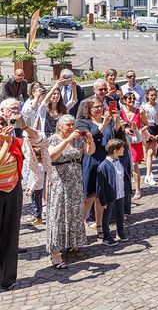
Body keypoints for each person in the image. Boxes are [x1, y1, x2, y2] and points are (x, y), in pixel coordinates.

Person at [0, 102, 45, 290]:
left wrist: (25, 126)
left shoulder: (15, 140)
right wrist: (6, 144)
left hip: (13, 189)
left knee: (11, 234)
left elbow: (40, 140)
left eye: (3, 124)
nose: (3, 127)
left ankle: (7, 278)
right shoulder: (9, 142)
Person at [46, 114, 94, 267]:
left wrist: (89, 140)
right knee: (59, 213)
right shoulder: (53, 139)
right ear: (60, 126)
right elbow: (52, 155)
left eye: (73, 124)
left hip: (75, 180)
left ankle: (72, 242)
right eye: (68, 125)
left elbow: (90, 151)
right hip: (60, 181)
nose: (72, 127)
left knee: (74, 211)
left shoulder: (77, 139)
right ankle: (55, 253)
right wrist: (66, 141)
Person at [75, 96, 124, 238]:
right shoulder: (83, 122)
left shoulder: (106, 119)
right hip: (91, 160)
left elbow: (115, 137)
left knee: (101, 197)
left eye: (100, 106)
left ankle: (100, 226)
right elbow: (90, 138)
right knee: (89, 196)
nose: (99, 109)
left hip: (105, 160)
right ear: (88, 109)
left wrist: (116, 121)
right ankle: (79, 228)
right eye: (95, 107)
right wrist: (102, 125)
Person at [96, 139, 129, 247]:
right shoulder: (103, 166)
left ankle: (120, 232)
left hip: (121, 194)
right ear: (115, 150)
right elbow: (100, 186)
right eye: (121, 148)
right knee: (107, 216)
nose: (124, 149)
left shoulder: (120, 161)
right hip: (110, 195)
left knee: (120, 214)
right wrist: (103, 200)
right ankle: (107, 236)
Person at [120, 92, 148, 200]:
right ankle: (127, 188)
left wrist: (139, 131)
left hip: (136, 141)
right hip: (126, 140)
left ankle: (138, 189)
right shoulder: (121, 112)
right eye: (129, 99)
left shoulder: (140, 111)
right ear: (124, 100)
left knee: (135, 164)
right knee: (127, 164)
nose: (132, 100)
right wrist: (125, 129)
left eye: (133, 99)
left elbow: (146, 124)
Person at [141, 87, 158, 186]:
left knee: (151, 153)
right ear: (147, 96)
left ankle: (148, 173)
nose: (153, 97)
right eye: (151, 95)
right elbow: (143, 122)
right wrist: (149, 134)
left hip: (156, 128)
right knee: (148, 153)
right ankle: (148, 174)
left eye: (154, 95)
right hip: (147, 129)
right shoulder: (144, 107)